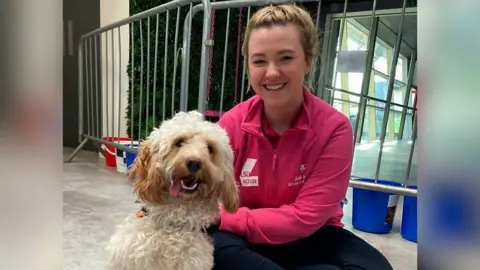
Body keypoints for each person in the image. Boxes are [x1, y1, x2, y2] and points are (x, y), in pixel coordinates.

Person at [208, 4, 394, 270]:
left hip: (311, 234)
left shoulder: (334, 128)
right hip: (241, 238)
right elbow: (203, 193)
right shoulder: (231, 124)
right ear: (249, 66)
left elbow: (306, 217)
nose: (271, 72)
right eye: (259, 61)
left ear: (308, 60)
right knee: (213, 248)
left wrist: (222, 218)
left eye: (285, 58)